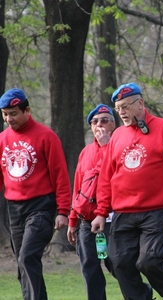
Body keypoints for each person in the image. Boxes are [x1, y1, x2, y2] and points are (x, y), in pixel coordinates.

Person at [90, 82, 163, 300]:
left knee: (149, 261)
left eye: (126, 106)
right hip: (123, 213)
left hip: (156, 210)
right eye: (118, 108)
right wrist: (101, 212)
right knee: (120, 263)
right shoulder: (117, 136)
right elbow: (107, 177)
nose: (122, 112)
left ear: (140, 103)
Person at [0, 88, 71, 299]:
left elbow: (60, 176)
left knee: (27, 257)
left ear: (27, 110)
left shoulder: (46, 136)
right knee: (24, 265)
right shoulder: (2, 139)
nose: (8, 118)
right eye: (5, 114)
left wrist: (63, 210)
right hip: (14, 209)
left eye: (13, 113)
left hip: (41, 207)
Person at [67, 104, 116, 300]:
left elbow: (113, 174)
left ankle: (142, 294)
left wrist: (106, 146)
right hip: (87, 219)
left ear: (113, 124)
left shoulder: (120, 147)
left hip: (113, 218)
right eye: (94, 122)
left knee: (117, 264)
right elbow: (78, 188)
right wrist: (72, 219)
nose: (99, 124)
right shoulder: (85, 152)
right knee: (89, 265)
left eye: (104, 120)